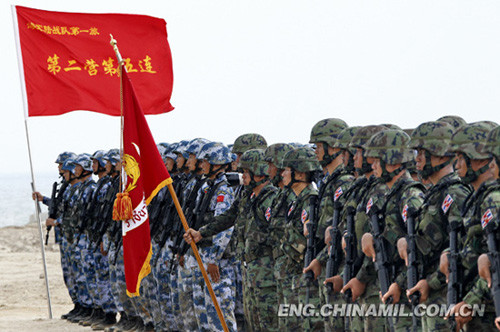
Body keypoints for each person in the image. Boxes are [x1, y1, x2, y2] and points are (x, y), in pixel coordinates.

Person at [361, 129, 425, 331]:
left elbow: (418, 249)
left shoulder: (410, 196)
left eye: (378, 160)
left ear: (393, 161)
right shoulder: (391, 194)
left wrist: (398, 283)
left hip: (406, 289)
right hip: (391, 285)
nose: (373, 166)